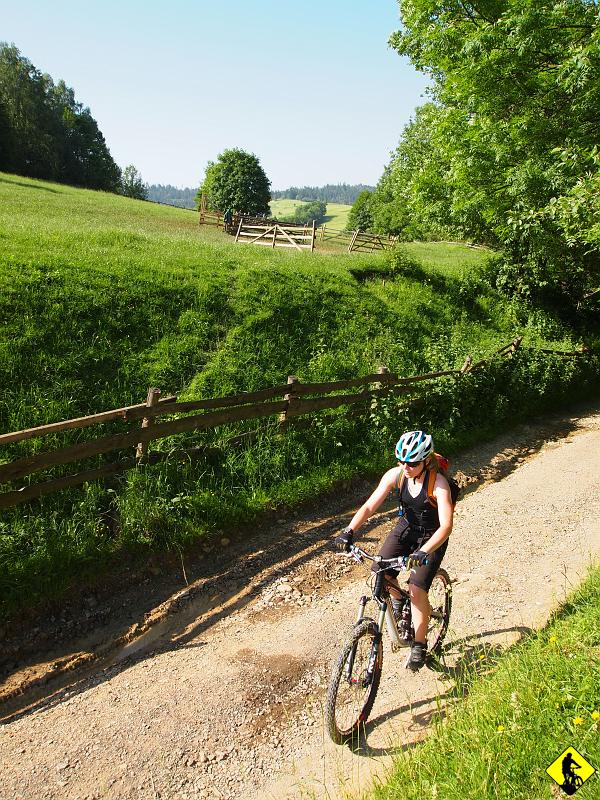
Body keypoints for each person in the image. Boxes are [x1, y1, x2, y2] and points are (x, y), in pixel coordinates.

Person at [335, 430, 454, 672]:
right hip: (406, 528)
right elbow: (369, 506)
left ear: (425, 461)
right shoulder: (397, 475)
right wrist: (349, 531)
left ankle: (419, 644)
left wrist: (423, 552)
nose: (405, 467)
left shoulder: (438, 483)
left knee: (417, 588)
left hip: (432, 537)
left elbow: (446, 526)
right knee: (380, 571)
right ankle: (399, 601)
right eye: (401, 461)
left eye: (412, 463)